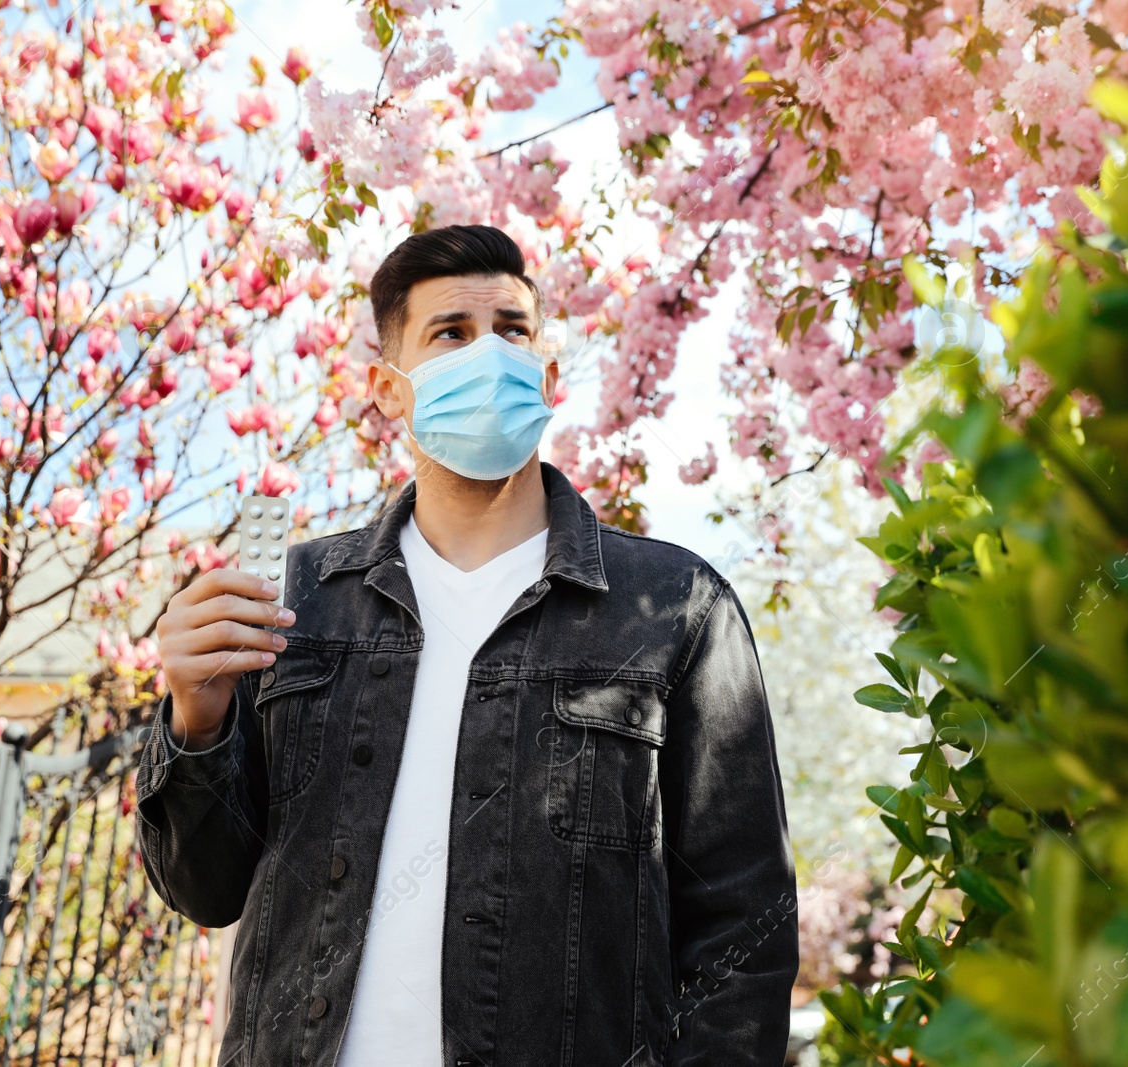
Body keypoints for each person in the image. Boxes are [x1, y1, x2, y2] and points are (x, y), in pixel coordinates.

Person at [136, 225, 799, 1066]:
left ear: (548, 377)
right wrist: (198, 722)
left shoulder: (674, 607)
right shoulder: (290, 602)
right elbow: (204, 887)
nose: (490, 354)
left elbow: (746, 924)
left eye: (512, 331)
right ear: (388, 389)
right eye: (451, 332)